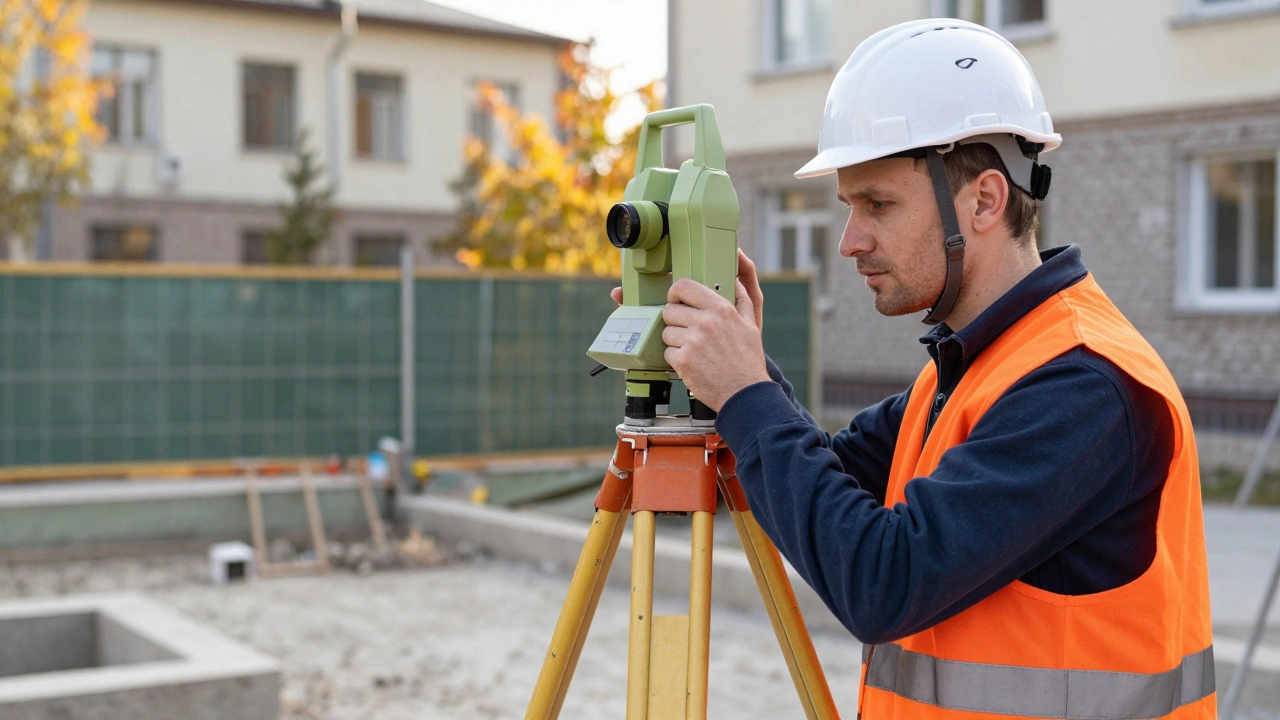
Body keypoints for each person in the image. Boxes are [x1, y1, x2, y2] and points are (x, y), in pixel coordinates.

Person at [620, 18, 1216, 720]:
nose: (849, 242)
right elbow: (824, 478)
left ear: (985, 200)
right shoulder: (971, 369)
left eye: (877, 205)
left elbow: (882, 581)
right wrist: (737, 362)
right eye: (850, 207)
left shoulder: (1084, 387)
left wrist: (746, 391)